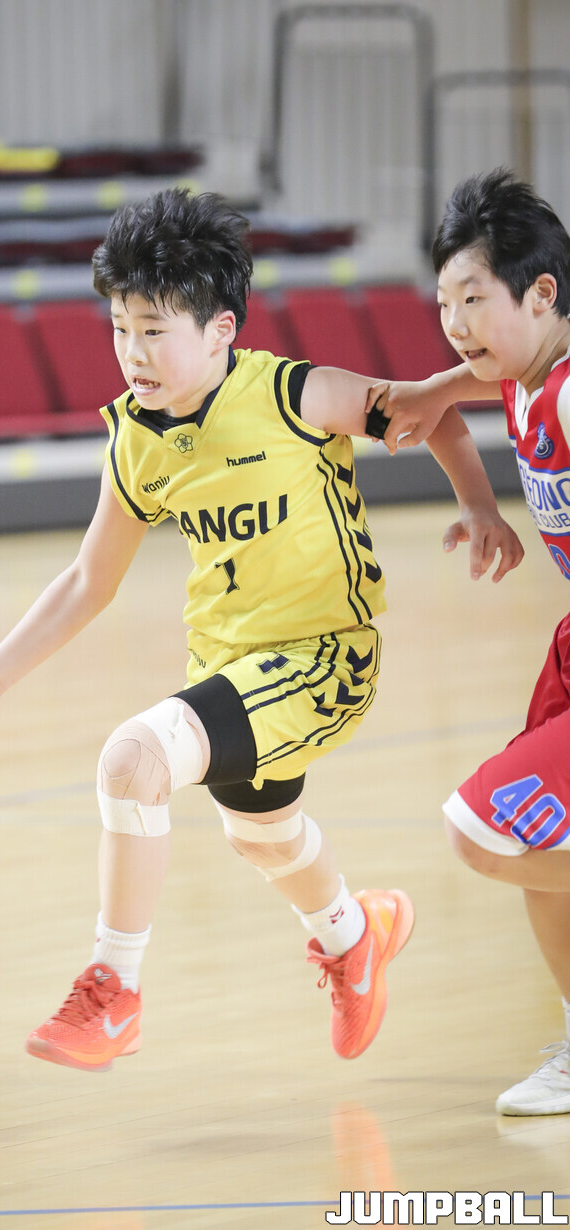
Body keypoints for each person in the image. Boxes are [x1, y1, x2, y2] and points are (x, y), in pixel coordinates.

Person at [0, 188, 521, 1073]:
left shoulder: (295, 394)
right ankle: (356, 934)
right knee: (261, 834)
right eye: (120, 327)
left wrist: (481, 507)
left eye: (155, 330)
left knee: (132, 761)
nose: (133, 351)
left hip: (323, 658)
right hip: (227, 664)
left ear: (222, 328)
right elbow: (89, 578)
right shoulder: (136, 442)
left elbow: (432, 413)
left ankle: (113, 991)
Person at [382, 167, 570, 1115]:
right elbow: (440, 400)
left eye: (473, 299)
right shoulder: (521, 370)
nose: (456, 324)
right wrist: (482, 509)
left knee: (481, 827)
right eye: (444, 302)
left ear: (541, 294)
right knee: (542, 847)